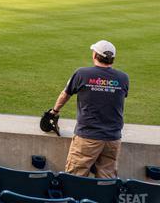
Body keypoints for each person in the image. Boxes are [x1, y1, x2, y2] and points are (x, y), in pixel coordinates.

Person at [48, 40, 129, 178]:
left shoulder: (82, 73)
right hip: (113, 139)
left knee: (74, 178)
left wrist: (54, 111)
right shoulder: (123, 78)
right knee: (106, 181)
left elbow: (65, 95)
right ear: (112, 59)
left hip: (87, 137)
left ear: (95, 55)